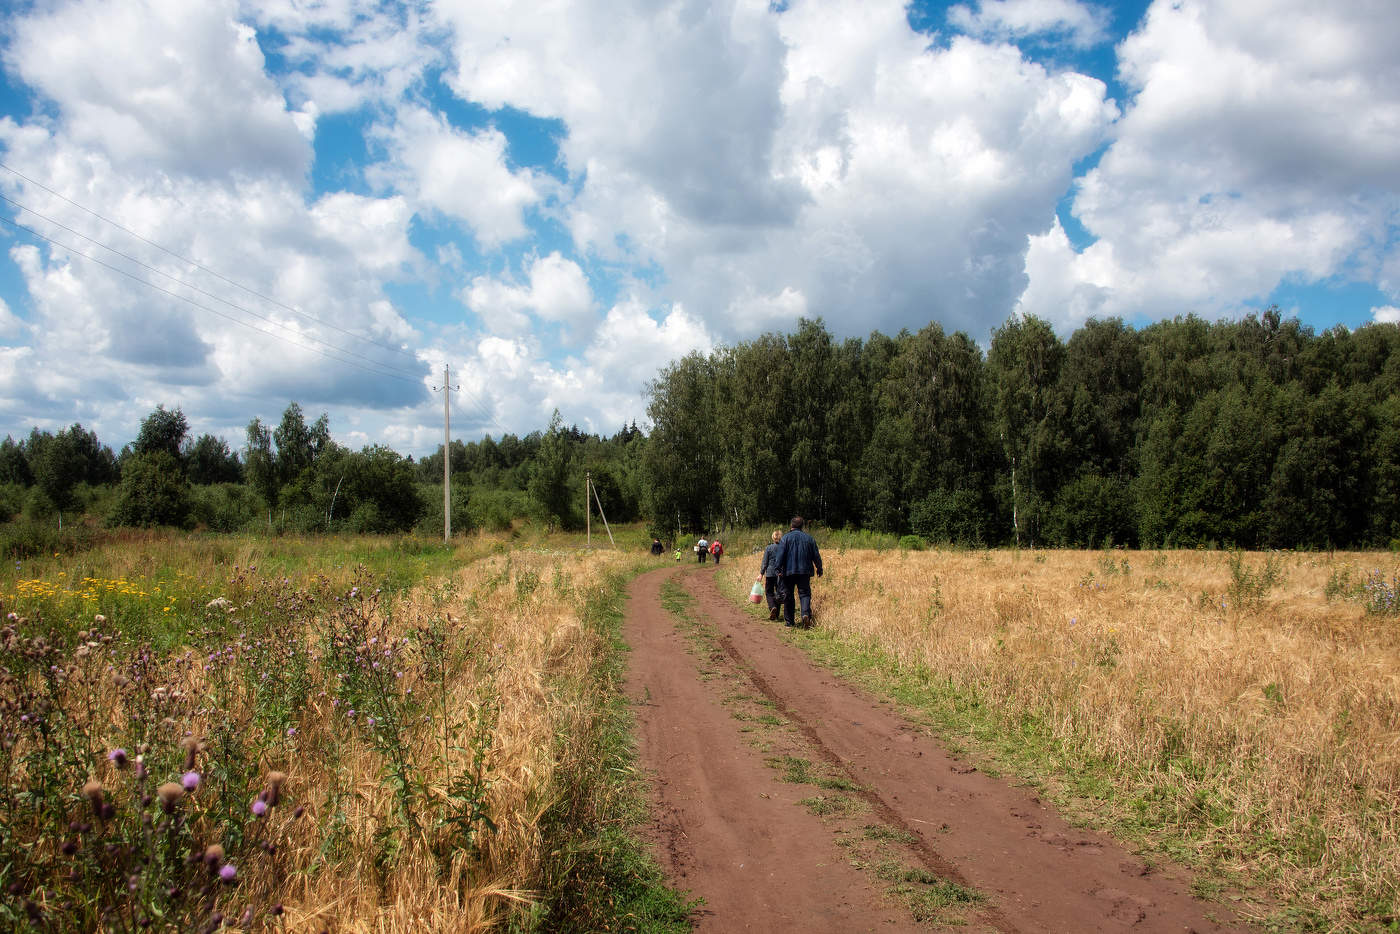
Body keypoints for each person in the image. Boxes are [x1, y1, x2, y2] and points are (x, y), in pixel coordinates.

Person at [773, 516, 822, 628]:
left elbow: (780, 556)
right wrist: (819, 568)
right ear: (802, 526)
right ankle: (805, 615)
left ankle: (790, 623)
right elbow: (816, 556)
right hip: (804, 571)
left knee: (788, 595)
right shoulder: (809, 539)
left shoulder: (785, 538)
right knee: (804, 594)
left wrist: (777, 569)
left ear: (791, 526)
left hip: (788, 572)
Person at [759, 529, 784, 621]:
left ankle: (772, 607)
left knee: (769, 592)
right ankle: (776, 615)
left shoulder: (768, 548)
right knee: (778, 593)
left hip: (770, 573)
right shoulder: (784, 547)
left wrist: (761, 573)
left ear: (773, 537)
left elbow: (765, 562)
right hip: (780, 574)